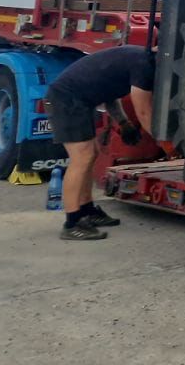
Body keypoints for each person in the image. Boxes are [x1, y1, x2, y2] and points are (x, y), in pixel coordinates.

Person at [46, 45, 155, 241]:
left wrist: (124, 123)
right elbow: (144, 112)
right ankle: (72, 223)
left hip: (77, 99)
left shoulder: (138, 58)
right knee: (81, 158)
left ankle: (87, 210)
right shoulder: (145, 65)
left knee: (91, 154)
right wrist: (165, 142)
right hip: (66, 99)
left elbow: (109, 93)